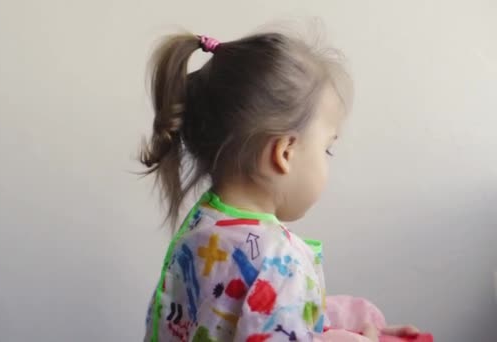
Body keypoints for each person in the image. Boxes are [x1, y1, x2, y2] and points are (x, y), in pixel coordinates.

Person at [139, 31, 418, 342]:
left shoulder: (200, 228)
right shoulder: (280, 261)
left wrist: (343, 329)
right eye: (326, 148)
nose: (327, 161)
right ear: (284, 153)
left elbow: (231, 319)